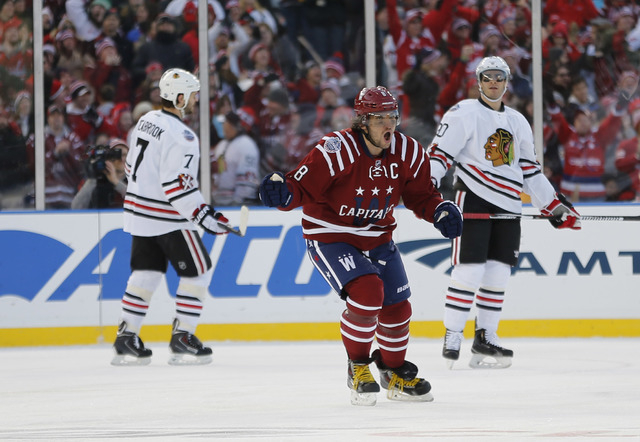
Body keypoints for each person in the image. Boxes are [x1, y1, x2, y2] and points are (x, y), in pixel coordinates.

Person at [258, 86, 463, 406]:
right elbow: (299, 188)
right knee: (368, 294)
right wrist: (282, 194)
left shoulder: (408, 151)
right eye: (380, 118)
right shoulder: (335, 149)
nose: (389, 125)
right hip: (330, 236)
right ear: (363, 121)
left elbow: (422, 196)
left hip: (378, 238)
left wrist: (440, 211)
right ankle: (358, 367)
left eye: (392, 117)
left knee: (398, 308)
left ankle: (393, 372)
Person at [427, 56, 582, 370]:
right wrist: (426, 190)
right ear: (479, 81)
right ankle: (453, 335)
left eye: (499, 77)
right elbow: (439, 155)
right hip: (472, 200)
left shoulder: (518, 120)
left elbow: (529, 170)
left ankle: (485, 338)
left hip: (510, 205)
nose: (493, 82)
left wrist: (553, 206)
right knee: (469, 271)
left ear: (507, 81)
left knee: (498, 273)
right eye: (487, 77)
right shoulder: (463, 113)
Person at [112, 68, 233, 366]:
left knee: (147, 272)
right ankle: (183, 337)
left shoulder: (145, 120)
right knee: (199, 270)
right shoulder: (184, 137)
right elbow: (177, 186)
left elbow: (129, 168)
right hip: (167, 217)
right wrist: (206, 218)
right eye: (192, 96)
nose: (194, 101)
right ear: (179, 98)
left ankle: (126, 336)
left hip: (138, 212)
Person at [210, 108, 260, 206]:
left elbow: (248, 181)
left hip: (239, 205)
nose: (223, 126)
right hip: (220, 203)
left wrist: (238, 202)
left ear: (234, 126)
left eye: (226, 123)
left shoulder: (247, 145)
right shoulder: (222, 144)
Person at [71, 138, 128, 209]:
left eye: (124, 155)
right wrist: (94, 178)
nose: (121, 159)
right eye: (116, 155)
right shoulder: (96, 179)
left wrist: (116, 182)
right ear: (107, 157)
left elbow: (136, 200)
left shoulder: (135, 180)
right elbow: (76, 208)